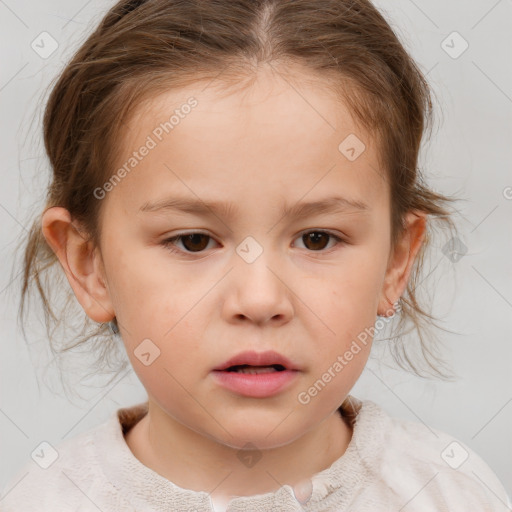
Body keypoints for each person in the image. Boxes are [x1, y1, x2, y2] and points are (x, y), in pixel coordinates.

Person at [1, 0, 510, 510]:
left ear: (396, 262)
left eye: (317, 239)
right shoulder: (45, 501)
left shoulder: (452, 493)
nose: (261, 299)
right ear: (90, 266)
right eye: (193, 241)